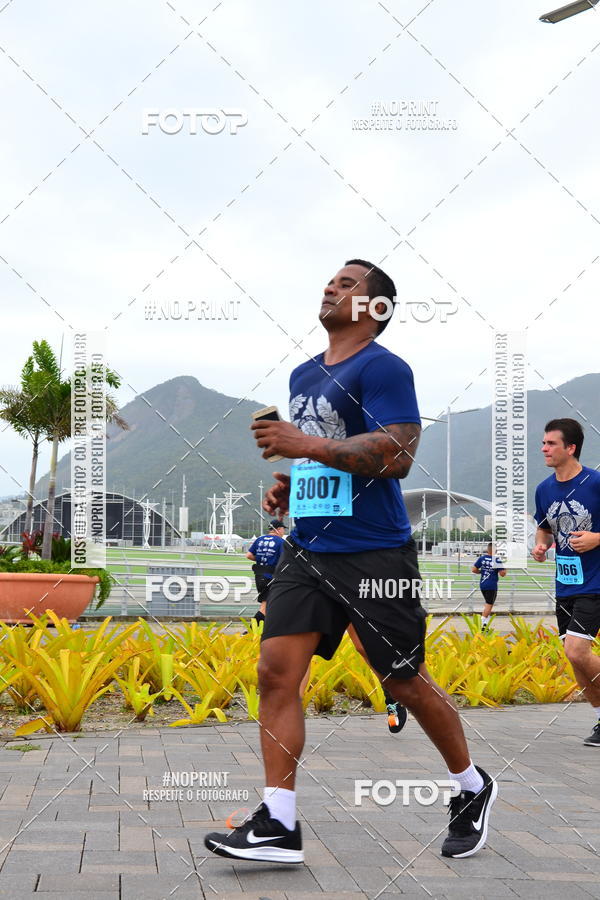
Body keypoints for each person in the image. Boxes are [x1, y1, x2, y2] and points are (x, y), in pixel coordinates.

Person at [205, 259, 497, 864]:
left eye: (346, 284)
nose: (329, 287)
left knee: (400, 680)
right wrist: (296, 482)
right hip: (308, 550)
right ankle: (278, 824)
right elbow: (328, 454)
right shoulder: (303, 373)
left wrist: (302, 443)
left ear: (376, 308)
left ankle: (470, 786)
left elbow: (396, 454)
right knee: (274, 673)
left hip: (374, 554)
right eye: (328, 280)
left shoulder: (385, 367)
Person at [532, 417, 600, 747]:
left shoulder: (595, 483)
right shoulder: (544, 489)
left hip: (596, 582)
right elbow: (545, 525)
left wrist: (597, 538)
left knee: (577, 650)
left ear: (570, 448)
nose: (544, 448)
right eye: (543, 443)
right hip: (565, 584)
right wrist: (541, 545)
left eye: (551, 443)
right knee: (574, 660)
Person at [246, 520, 286, 625]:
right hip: (271, 577)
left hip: (259, 576)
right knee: (265, 606)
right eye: (283, 529)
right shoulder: (280, 542)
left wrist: (262, 560)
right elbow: (284, 560)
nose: (283, 532)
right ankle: (251, 631)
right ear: (278, 529)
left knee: (272, 605)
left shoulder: (259, 539)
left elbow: (249, 555)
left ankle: (268, 629)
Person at [472, 542, 507, 630]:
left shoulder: (482, 558)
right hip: (492, 585)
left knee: (488, 604)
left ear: (487, 549)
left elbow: (473, 569)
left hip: (483, 584)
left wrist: (482, 572)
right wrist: (505, 567)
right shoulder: (497, 560)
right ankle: (481, 624)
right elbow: (503, 574)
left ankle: (485, 626)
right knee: (489, 605)